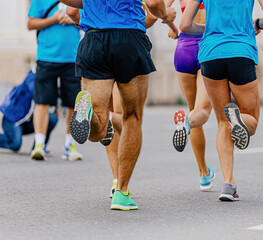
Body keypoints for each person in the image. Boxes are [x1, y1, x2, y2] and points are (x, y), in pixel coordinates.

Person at [59, 0, 176, 210]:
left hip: (94, 39)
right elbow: (154, 3)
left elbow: (69, 7)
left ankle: (88, 112)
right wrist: (166, 15)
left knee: (98, 130)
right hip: (130, 39)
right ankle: (121, 192)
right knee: (132, 117)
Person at [180, 0, 263, 201]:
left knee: (223, 122)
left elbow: (184, 26)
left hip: (210, 54)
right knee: (251, 120)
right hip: (241, 51)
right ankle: (239, 119)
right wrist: (258, 24)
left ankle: (228, 184)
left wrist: (210, 29)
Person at [167, 0, 215, 191]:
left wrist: (172, 26)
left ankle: (204, 174)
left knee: (193, 110)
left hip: (184, 46)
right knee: (200, 112)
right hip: (209, 44)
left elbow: (159, 8)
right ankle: (186, 122)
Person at [27, 0, 83, 161]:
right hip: (46, 57)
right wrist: (54, 19)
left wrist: (73, 19)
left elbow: (89, 22)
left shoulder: (78, 1)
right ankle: (39, 144)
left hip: (72, 58)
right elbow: (30, 23)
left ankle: (70, 145)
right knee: (42, 101)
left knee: (74, 103)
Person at [0, 71, 58, 154]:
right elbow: (36, 93)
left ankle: (39, 146)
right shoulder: (32, 76)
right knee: (15, 145)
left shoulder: (52, 79)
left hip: (28, 120)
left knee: (52, 118)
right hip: (13, 119)